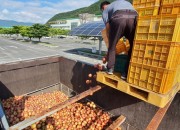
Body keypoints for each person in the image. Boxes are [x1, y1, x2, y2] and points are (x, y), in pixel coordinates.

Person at [100, 0, 138, 80]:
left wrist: (111, 41)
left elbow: (108, 28)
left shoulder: (105, 11)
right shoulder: (117, 4)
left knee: (112, 46)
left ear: (102, 8)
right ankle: (126, 73)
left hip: (119, 17)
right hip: (134, 17)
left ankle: (110, 69)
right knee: (133, 46)